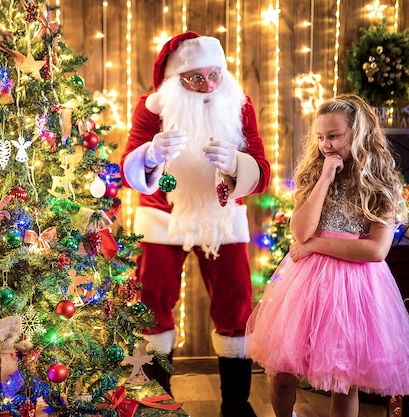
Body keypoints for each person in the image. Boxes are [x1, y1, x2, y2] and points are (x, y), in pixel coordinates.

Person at [120, 31, 270, 417]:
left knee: (236, 301)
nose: (209, 85)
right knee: (152, 302)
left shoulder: (239, 105)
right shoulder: (152, 107)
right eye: (195, 78)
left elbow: (262, 171)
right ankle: (157, 402)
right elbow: (128, 167)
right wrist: (150, 154)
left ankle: (236, 405)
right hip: (162, 213)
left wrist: (238, 164)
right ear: (175, 79)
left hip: (221, 215)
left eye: (215, 74)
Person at [244, 94, 409, 417]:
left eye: (335, 136)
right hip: (307, 283)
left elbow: (375, 250)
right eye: (321, 137)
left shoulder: (380, 183)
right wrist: (325, 179)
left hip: (356, 286)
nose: (326, 144)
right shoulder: (316, 174)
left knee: (344, 381)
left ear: (358, 133)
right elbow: (300, 232)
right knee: (283, 378)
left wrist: (314, 245)